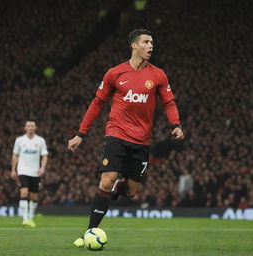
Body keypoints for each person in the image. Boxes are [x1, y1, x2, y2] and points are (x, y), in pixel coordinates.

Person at [68, 29, 184, 247]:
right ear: (134, 45)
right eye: (146, 42)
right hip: (116, 134)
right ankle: (90, 232)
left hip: (141, 141)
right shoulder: (115, 73)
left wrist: (176, 124)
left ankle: (120, 187)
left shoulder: (158, 75)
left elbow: (169, 102)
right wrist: (80, 134)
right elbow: (97, 102)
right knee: (106, 180)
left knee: (131, 192)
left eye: (152, 43)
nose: (151, 46)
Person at [11, 121, 48, 227]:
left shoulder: (40, 140)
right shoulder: (19, 140)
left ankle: (31, 218)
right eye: (28, 126)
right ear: (25, 128)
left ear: (35, 127)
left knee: (34, 196)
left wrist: (42, 167)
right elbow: (15, 155)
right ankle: (25, 219)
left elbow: (44, 155)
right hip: (22, 170)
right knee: (24, 192)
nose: (30, 127)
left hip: (35, 172)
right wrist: (13, 170)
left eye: (32, 126)